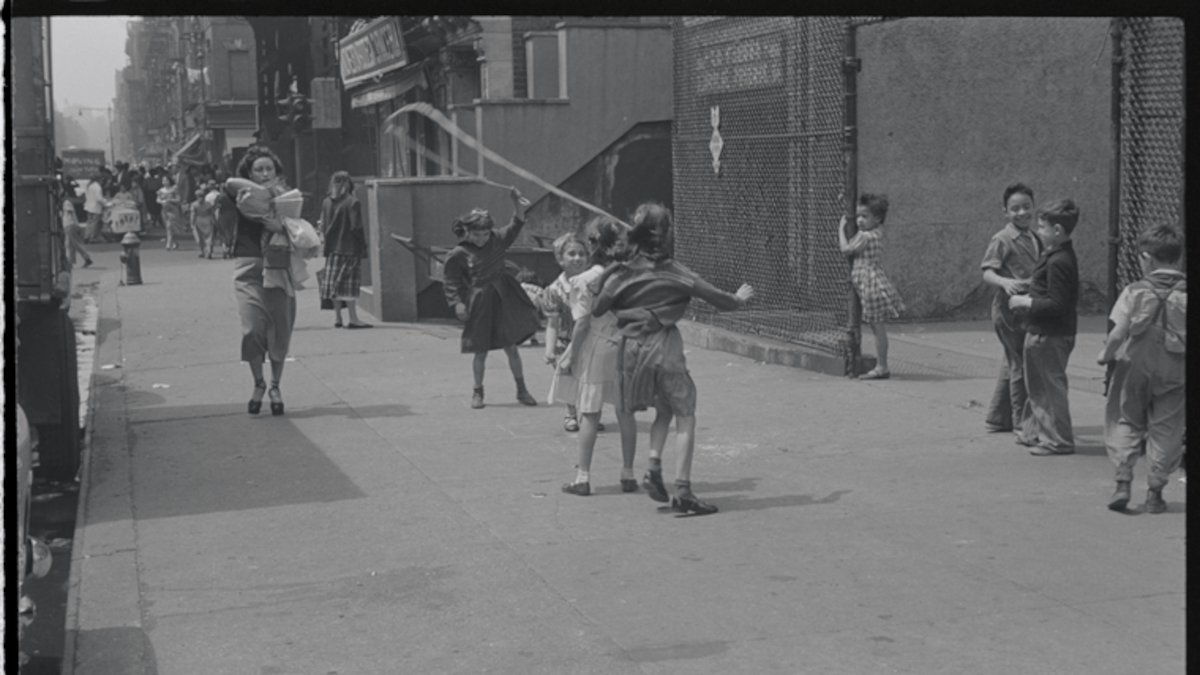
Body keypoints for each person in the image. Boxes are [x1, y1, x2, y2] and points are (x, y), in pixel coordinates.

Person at [592, 203, 754, 514]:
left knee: (663, 410)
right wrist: (738, 298)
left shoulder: (623, 273)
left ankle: (653, 465)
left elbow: (598, 307)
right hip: (663, 348)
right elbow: (720, 300)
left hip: (630, 351)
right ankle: (683, 491)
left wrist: (613, 267)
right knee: (685, 414)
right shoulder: (676, 272)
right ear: (665, 235)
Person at [1097, 224, 1186, 512]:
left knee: (1127, 418)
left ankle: (1123, 478)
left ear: (1147, 257)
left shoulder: (1134, 291)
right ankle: (1155, 491)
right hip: (1175, 367)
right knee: (1167, 426)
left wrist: (1105, 355)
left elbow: (1117, 333)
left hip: (1135, 364)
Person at [214, 146, 300, 416]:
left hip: (278, 265)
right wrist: (262, 194)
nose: (265, 173)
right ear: (249, 173)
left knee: (280, 328)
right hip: (247, 267)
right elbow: (228, 183)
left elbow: (299, 229)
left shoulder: (287, 197)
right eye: (259, 169)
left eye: (269, 169)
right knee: (252, 328)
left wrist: (281, 225)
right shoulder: (241, 195)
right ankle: (258, 383)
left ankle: (274, 386)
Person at [557, 217, 638, 496]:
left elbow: (581, 324)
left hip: (597, 346)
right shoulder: (629, 274)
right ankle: (628, 474)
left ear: (592, 244)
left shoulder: (585, 279)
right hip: (625, 345)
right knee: (625, 411)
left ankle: (583, 477)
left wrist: (570, 356)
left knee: (589, 413)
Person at [442, 187, 541, 409]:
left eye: (485, 234)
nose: (481, 238)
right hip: (479, 303)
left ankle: (522, 390)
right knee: (480, 351)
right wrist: (457, 303)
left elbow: (516, 223)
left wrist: (516, 202)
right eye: (476, 234)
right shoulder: (458, 253)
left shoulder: (497, 240)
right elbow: (451, 281)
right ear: (466, 232)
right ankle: (478, 392)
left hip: (503, 299)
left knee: (512, 347)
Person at [1009, 198, 1080, 456]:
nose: (1039, 231)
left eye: (1042, 227)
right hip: (1042, 332)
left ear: (1057, 231)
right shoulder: (1055, 255)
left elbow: (1057, 304)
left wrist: (1025, 301)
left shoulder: (1060, 260)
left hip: (1050, 335)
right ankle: (1032, 432)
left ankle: (1058, 440)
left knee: (1049, 388)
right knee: (1038, 385)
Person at [981, 183, 1040, 432]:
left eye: (1026, 207)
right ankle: (1020, 421)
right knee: (1020, 364)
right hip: (1009, 311)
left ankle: (997, 417)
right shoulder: (1003, 238)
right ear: (1005, 211)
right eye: (1015, 209)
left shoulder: (1035, 237)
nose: (1022, 213)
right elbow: (987, 271)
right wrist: (1004, 282)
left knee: (1013, 360)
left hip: (1027, 308)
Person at [838, 193, 906, 379]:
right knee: (876, 327)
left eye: (864, 216)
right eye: (858, 216)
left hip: (869, 283)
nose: (859, 220)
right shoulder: (878, 231)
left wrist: (840, 228)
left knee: (877, 328)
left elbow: (845, 250)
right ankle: (881, 366)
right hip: (869, 281)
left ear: (876, 218)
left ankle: (882, 366)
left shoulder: (866, 236)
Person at [543, 233, 591, 431]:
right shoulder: (554, 290)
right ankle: (570, 413)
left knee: (589, 379)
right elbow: (552, 323)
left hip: (590, 339)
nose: (577, 258)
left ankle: (590, 414)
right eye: (572, 254)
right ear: (560, 258)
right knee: (568, 378)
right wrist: (550, 348)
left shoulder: (593, 284)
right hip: (566, 342)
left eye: (582, 254)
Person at [318, 171, 371, 329]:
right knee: (348, 285)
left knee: (334, 284)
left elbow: (323, 225)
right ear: (349, 184)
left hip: (332, 249)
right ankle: (353, 318)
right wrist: (362, 243)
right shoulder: (353, 202)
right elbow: (356, 226)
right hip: (349, 248)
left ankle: (338, 318)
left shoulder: (326, 202)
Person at [59, 173, 93, 268]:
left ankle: (87, 258)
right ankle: (70, 262)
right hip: (68, 224)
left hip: (70, 224)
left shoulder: (66, 202)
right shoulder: (67, 202)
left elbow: (70, 215)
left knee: (75, 243)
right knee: (69, 245)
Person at [191, 181, 219, 258]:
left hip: (200, 220)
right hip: (207, 220)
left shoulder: (194, 204)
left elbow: (193, 214)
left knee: (200, 237)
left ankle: (204, 251)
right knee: (208, 237)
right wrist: (215, 221)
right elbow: (212, 213)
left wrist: (192, 223)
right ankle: (207, 251)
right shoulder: (208, 204)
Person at [158, 174, 185, 250]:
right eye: (163, 180)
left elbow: (178, 199)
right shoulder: (161, 190)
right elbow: (157, 199)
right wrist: (161, 201)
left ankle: (168, 243)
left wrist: (170, 200)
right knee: (167, 226)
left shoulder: (174, 190)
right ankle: (175, 242)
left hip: (173, 210)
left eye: (166, 180)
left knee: (170, 226)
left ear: (170, 181)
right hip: (164, 210)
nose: (164, 182)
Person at [83, 168, 110, 243]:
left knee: (89, 222)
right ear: (100, 179)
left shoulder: (90, 185)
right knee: (94, 223)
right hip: (95, 208)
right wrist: (106, 202)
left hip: (89, 207)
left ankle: (86, 236)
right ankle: (92, 237)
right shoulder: (98, 187)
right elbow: (99, 199)